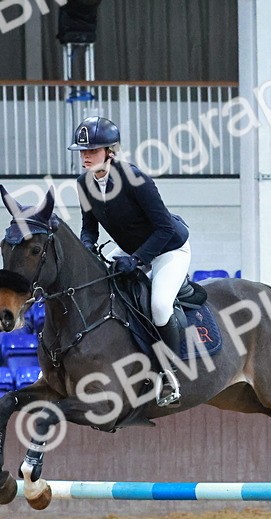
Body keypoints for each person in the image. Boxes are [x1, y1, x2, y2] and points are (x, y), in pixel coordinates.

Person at [69, 116, 191, 407]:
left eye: (92, 151)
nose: (85, 156)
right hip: (130, 251)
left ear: (110, 151)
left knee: (160, 306)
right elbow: (89, 226)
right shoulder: (83, 183)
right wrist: (87, 245)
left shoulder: (136, 180)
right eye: (82, 152)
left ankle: (168, 375)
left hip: (168, 249)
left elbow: (164, 229)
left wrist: (137, 260)